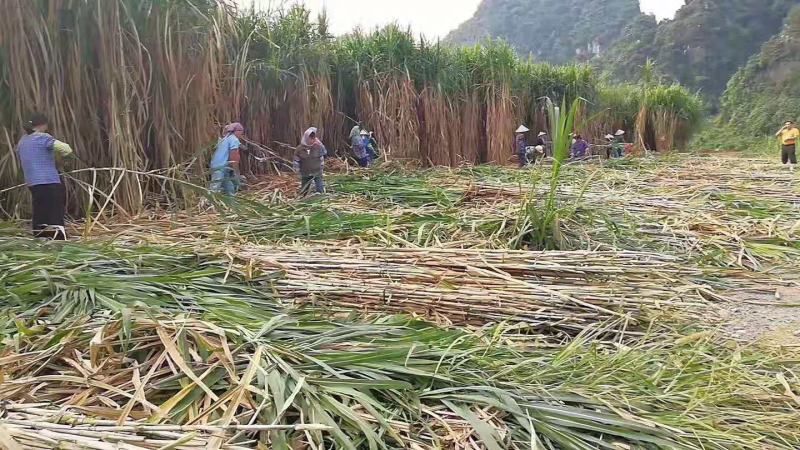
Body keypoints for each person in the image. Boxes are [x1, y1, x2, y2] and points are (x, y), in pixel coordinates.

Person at [16, 113, 73, 240]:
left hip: (33, 182)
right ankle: (58, 236)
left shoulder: (22, 141)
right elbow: (66, 149)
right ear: (43, 125)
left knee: (40, 209)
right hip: (49, 180)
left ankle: (39, 235)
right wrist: (65, 159)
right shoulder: (42, 138)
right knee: (55, 209)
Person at [210, 122, 243, 196]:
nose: (241, 134)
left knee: (229, 187)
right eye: (241, 132)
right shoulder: (234, 139)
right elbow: (233, 155)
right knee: (215, 188)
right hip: (220, 166)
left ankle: (232, 204)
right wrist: (236, 169)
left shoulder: (225, 139)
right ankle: (207, 203)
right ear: (236, 131)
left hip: (220, 166)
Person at [293, 127, 327, 196]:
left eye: (313, 138)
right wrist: (296, 169)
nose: (313, 140)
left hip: (317, 171)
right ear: (306, 138)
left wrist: (321, 145)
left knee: (320, 187)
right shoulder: (299, 149)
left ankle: (320, 197)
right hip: (305, 172)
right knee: (304, 189)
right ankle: (304, 198)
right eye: (311, 138)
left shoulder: (318, 146)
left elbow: (324, 153)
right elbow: (296, 160)